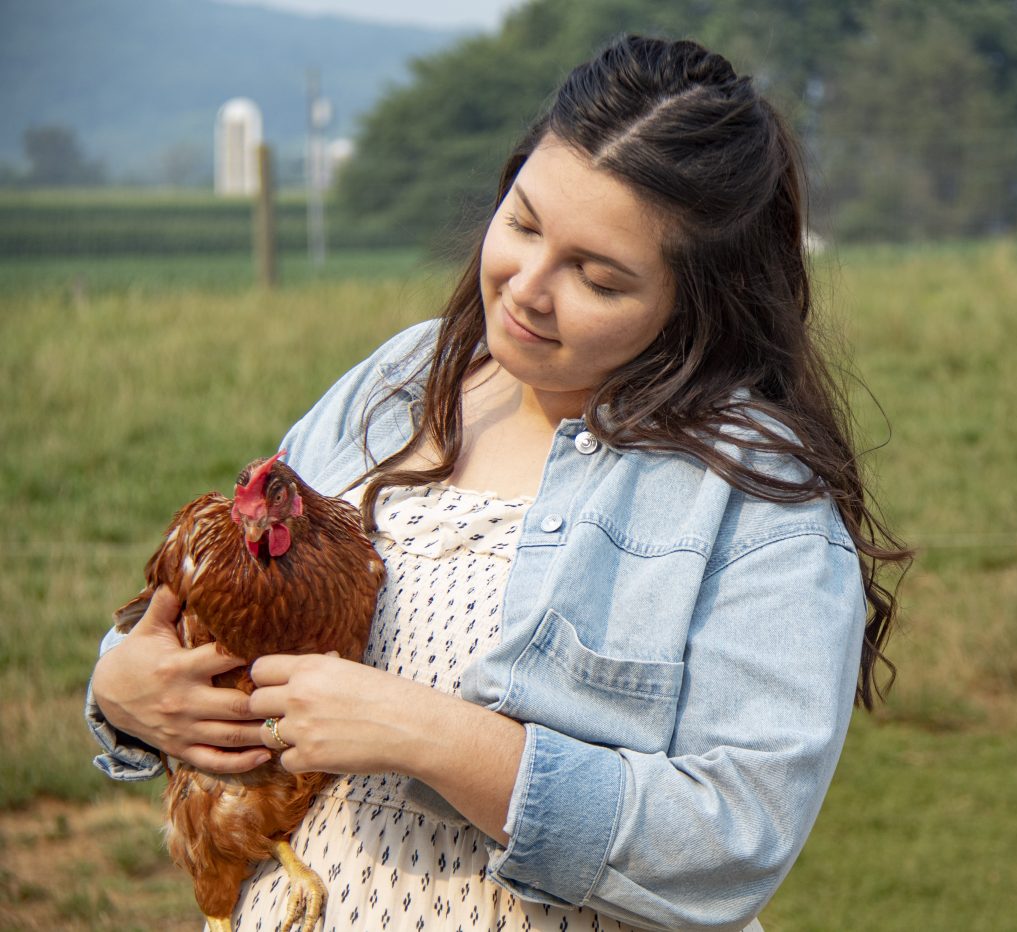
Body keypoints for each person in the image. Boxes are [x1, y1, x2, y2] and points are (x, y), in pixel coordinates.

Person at [87, 34, 909, 932]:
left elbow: (733, 839)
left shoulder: (753, 492)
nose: (527, 287)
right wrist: (124, 693)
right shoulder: (400, 382)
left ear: (697, 301)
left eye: (597, 277)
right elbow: (212, 607)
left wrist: (430, 736)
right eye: (521, 224)